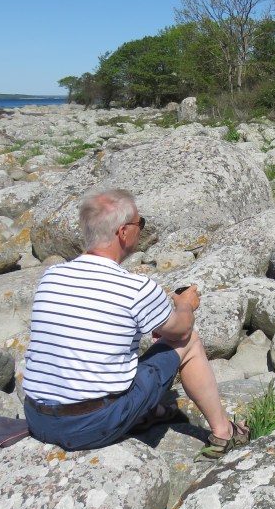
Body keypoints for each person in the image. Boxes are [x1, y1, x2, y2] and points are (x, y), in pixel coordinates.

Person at [22, 188, 248, 460]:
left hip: (37, 419)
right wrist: (185, 304)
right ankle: (225, 434)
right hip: (91, 426)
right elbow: (182, 329)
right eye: (140, 223)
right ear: (123, 232)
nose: (142, 230)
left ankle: (143, 413)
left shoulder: (52, 276)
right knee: (189, 342)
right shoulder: (135, 287)